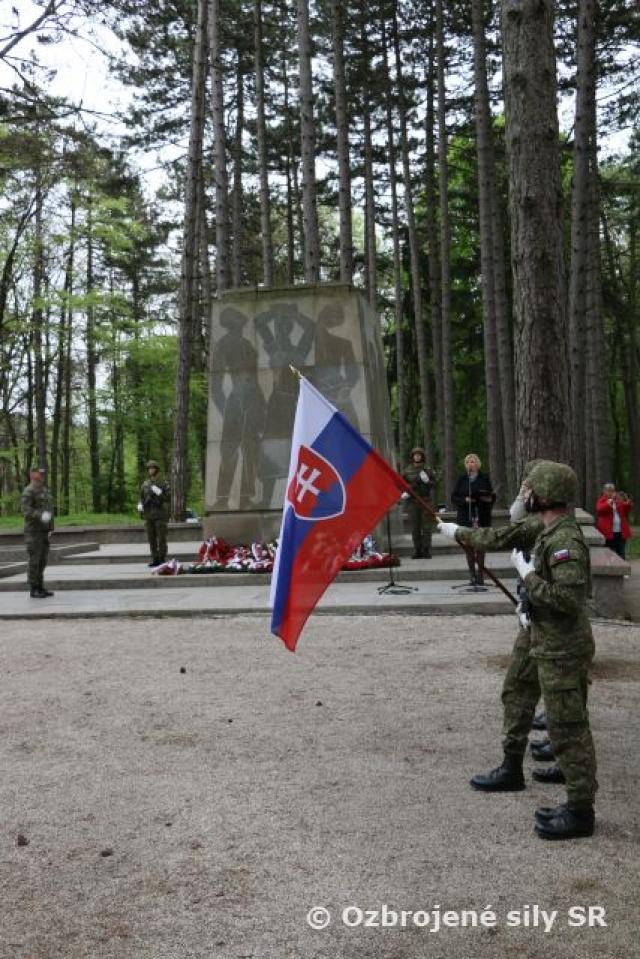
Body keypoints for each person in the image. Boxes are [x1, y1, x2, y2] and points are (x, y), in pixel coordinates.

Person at [441, 461, 597, 840]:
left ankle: (580, 812)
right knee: (526, 698)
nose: (524, 495)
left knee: (568, 728)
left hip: (562, 647)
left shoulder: (564, 541)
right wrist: (528, 600)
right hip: (544, 637)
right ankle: (524, 773)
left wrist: (528, 575)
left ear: (545, 495)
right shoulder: (548, 530)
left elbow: (567, 600)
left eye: (530, 490)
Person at [451, 453, 494, 585]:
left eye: (473, 462)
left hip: (481, 515)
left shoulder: (484, 478)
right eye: (468, 462)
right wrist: (465, 499)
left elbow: (491, 496)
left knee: (480, 546)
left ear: (478, 464)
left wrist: (482, 498)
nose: (470, 464)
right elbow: (454, 497)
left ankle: (481, 575)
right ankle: (472, 575)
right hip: (466, 516)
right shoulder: (462, 479)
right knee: (468, 547)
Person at [20, 467, 55, 598]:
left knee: (42, 560)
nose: (41, 477)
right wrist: (39, 515)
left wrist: (50, 527)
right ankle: (34, 588)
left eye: (42, 475)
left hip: (43, 531)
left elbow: (49, 509)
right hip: (33, 531)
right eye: (39, 475)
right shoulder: (28, 491)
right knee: (34, 560)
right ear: (33, 476)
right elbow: (25, 509)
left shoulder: (44, 490)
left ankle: (40, 586)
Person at [402, 447, 436, 558]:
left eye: (419, 455)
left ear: (422, 456)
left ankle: (426, 549)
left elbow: (434, 485)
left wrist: (427, 481)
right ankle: (417, 550)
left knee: (426, 527)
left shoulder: (427, 469)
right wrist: (406, 491)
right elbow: (401, 484)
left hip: (425, 500)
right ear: (412, 457)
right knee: (415, 527)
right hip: (412, 501)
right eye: (415, 455)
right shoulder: (407, 470)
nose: (417, 457)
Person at [138, 460, 171, 567]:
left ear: (157, 469)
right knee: (151, 539)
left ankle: (162, 558)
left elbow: (168, 498)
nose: (150, 470)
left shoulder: (163, 483)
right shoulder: (145, 484)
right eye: (149, 468)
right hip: (148, 516)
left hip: (160, 515)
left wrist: (160, 493)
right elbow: (141, 497)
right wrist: (140, 505)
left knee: (161, 538)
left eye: (152, 468)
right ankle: (155, 559)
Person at [595, 483, 633, 559]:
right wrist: (611, 501)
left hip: (620, 532)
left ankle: (622, 566)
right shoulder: (602, 501)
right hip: (608, 532)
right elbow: (600, 509)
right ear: (604, 491)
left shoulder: (618, 501)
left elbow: (627, 508)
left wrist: (626, 500)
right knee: (609, 553)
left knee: (621, 552)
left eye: (612, 491)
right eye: (608, 490)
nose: (611, 492)